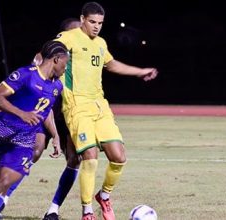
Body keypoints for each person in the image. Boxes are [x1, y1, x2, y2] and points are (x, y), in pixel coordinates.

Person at [47, 2, 158, 220]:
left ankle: (104, 196)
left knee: (119, 157)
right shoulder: (69, 37)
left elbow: (112, 64)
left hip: (100, 105)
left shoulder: (100, 43)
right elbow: (46, 54)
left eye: (100, 23)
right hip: (77, 106)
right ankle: (87, 211)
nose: (96, 26)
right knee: (90, 156)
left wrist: (140, 72)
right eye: (92, 22)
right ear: (82, 19)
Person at [0, 40, 70, 219]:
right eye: (65, 64)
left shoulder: (57, 86)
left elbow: (45, 112)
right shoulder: (25, 75)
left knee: (3, 184)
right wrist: (21, 113)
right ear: (56, 59)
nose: (66, 69)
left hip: (23, 142)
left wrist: (55, 135)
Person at [0, 17, 82, 220]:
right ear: (64, 35)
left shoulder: (85, 57)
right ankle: (1, 199)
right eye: (75, 33)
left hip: (71, 114)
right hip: (45, 112)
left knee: (75, 159)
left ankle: (53, 210)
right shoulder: (46, 57)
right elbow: (29, 84)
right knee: (34, 149)